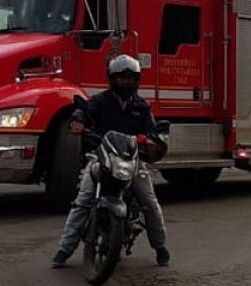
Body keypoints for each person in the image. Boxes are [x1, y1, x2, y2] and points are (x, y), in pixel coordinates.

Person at [51, 54, 171, 268]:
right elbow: (83, 110)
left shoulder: (142, 107)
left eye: (130, 78)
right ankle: (64, 249)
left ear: (137, 80)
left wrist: (154, 138)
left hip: (132, 161)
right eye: (121, 78)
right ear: (112, 78)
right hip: (102, 157)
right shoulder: (100, 101)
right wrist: (77, 120)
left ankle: (160, 247)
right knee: (84, 200)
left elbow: (152, 130)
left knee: (150, 203)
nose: (125, 82)